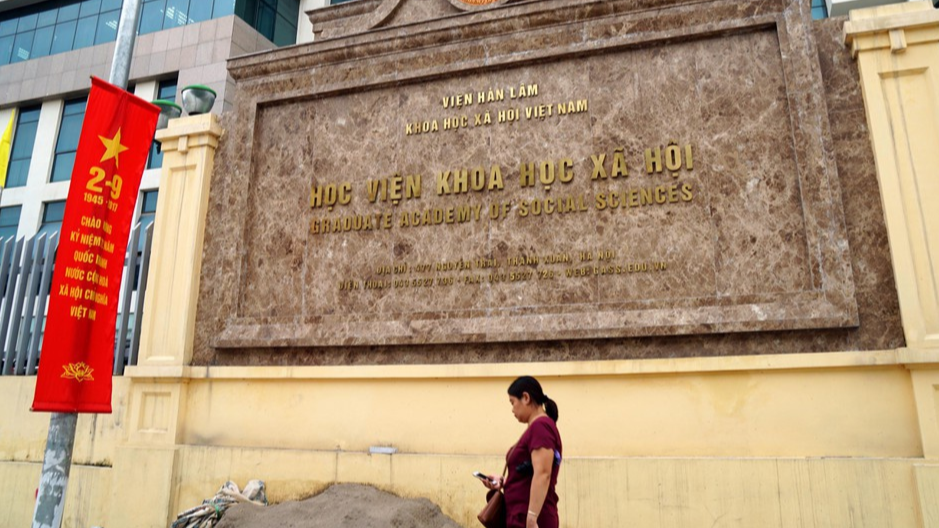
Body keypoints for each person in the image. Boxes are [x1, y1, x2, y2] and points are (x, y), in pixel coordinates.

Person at [481, 376, 562, 528]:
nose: (512, 409)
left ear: (525, 398)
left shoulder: (541, 427)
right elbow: (528, 474)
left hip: (530, 519)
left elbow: (543, 473)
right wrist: (504, 482)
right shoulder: (536, 428)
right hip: (518, 517)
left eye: (513, 402)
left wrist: (532, 519)